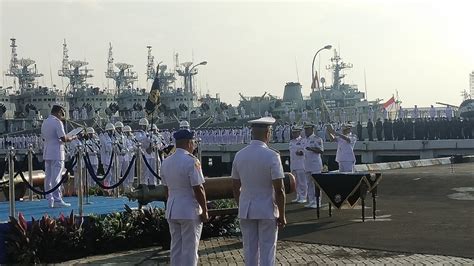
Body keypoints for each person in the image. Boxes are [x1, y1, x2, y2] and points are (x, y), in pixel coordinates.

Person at [232, 117, 286, 266]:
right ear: (268, 133)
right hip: (267, 209)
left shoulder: (239, 155)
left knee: (249, 249)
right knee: (267, 249)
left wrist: (241, 204)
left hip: (247, 209)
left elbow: (235, 186)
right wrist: (282, 214)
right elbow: (279, 189)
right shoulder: (272, 156)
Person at [161, 129, 208, 266]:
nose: (194, 145)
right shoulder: (192, 161)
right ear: (189, 143)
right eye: (193, 142)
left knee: (176, 247)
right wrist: (204, 210)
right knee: (190, 249)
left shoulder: (166, 161)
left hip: (172, 209)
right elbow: (198, 188)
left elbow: (166, 189)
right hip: (188, 210)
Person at [41, 104, 76, 208]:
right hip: (57, 152)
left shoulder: (45, 122)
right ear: (59, 112)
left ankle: (50, 199)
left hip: (47, 152)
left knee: (48, 177)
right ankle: (57, 199)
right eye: (62, 113)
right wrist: (73, 137)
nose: (62, 116)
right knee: (56, 177)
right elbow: (63, 139)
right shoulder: (57, 122)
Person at [302, 123, 324, 208]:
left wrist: (311, 149)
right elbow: (304, 151)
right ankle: (311, 201)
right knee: (309, 184)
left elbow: (321, 150)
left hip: (315, 164)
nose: (306, 131)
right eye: (305, 129)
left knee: (316, 184)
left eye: (308, 129)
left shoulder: (317, 139)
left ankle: (317, 201)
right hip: (307, 164)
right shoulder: (304, 140)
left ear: (312, 129)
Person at [289, 127, 306, 203]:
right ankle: (298, 196)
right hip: (293, 164)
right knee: (296, 182)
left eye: (295, 132)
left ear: (299, 133)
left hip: (301, 164)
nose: (294, 134)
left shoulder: (303, 141)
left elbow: (304, 151)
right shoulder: (291, 142)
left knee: (302, 182)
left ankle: (303, 196)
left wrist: (300, 153)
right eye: (293, 133)